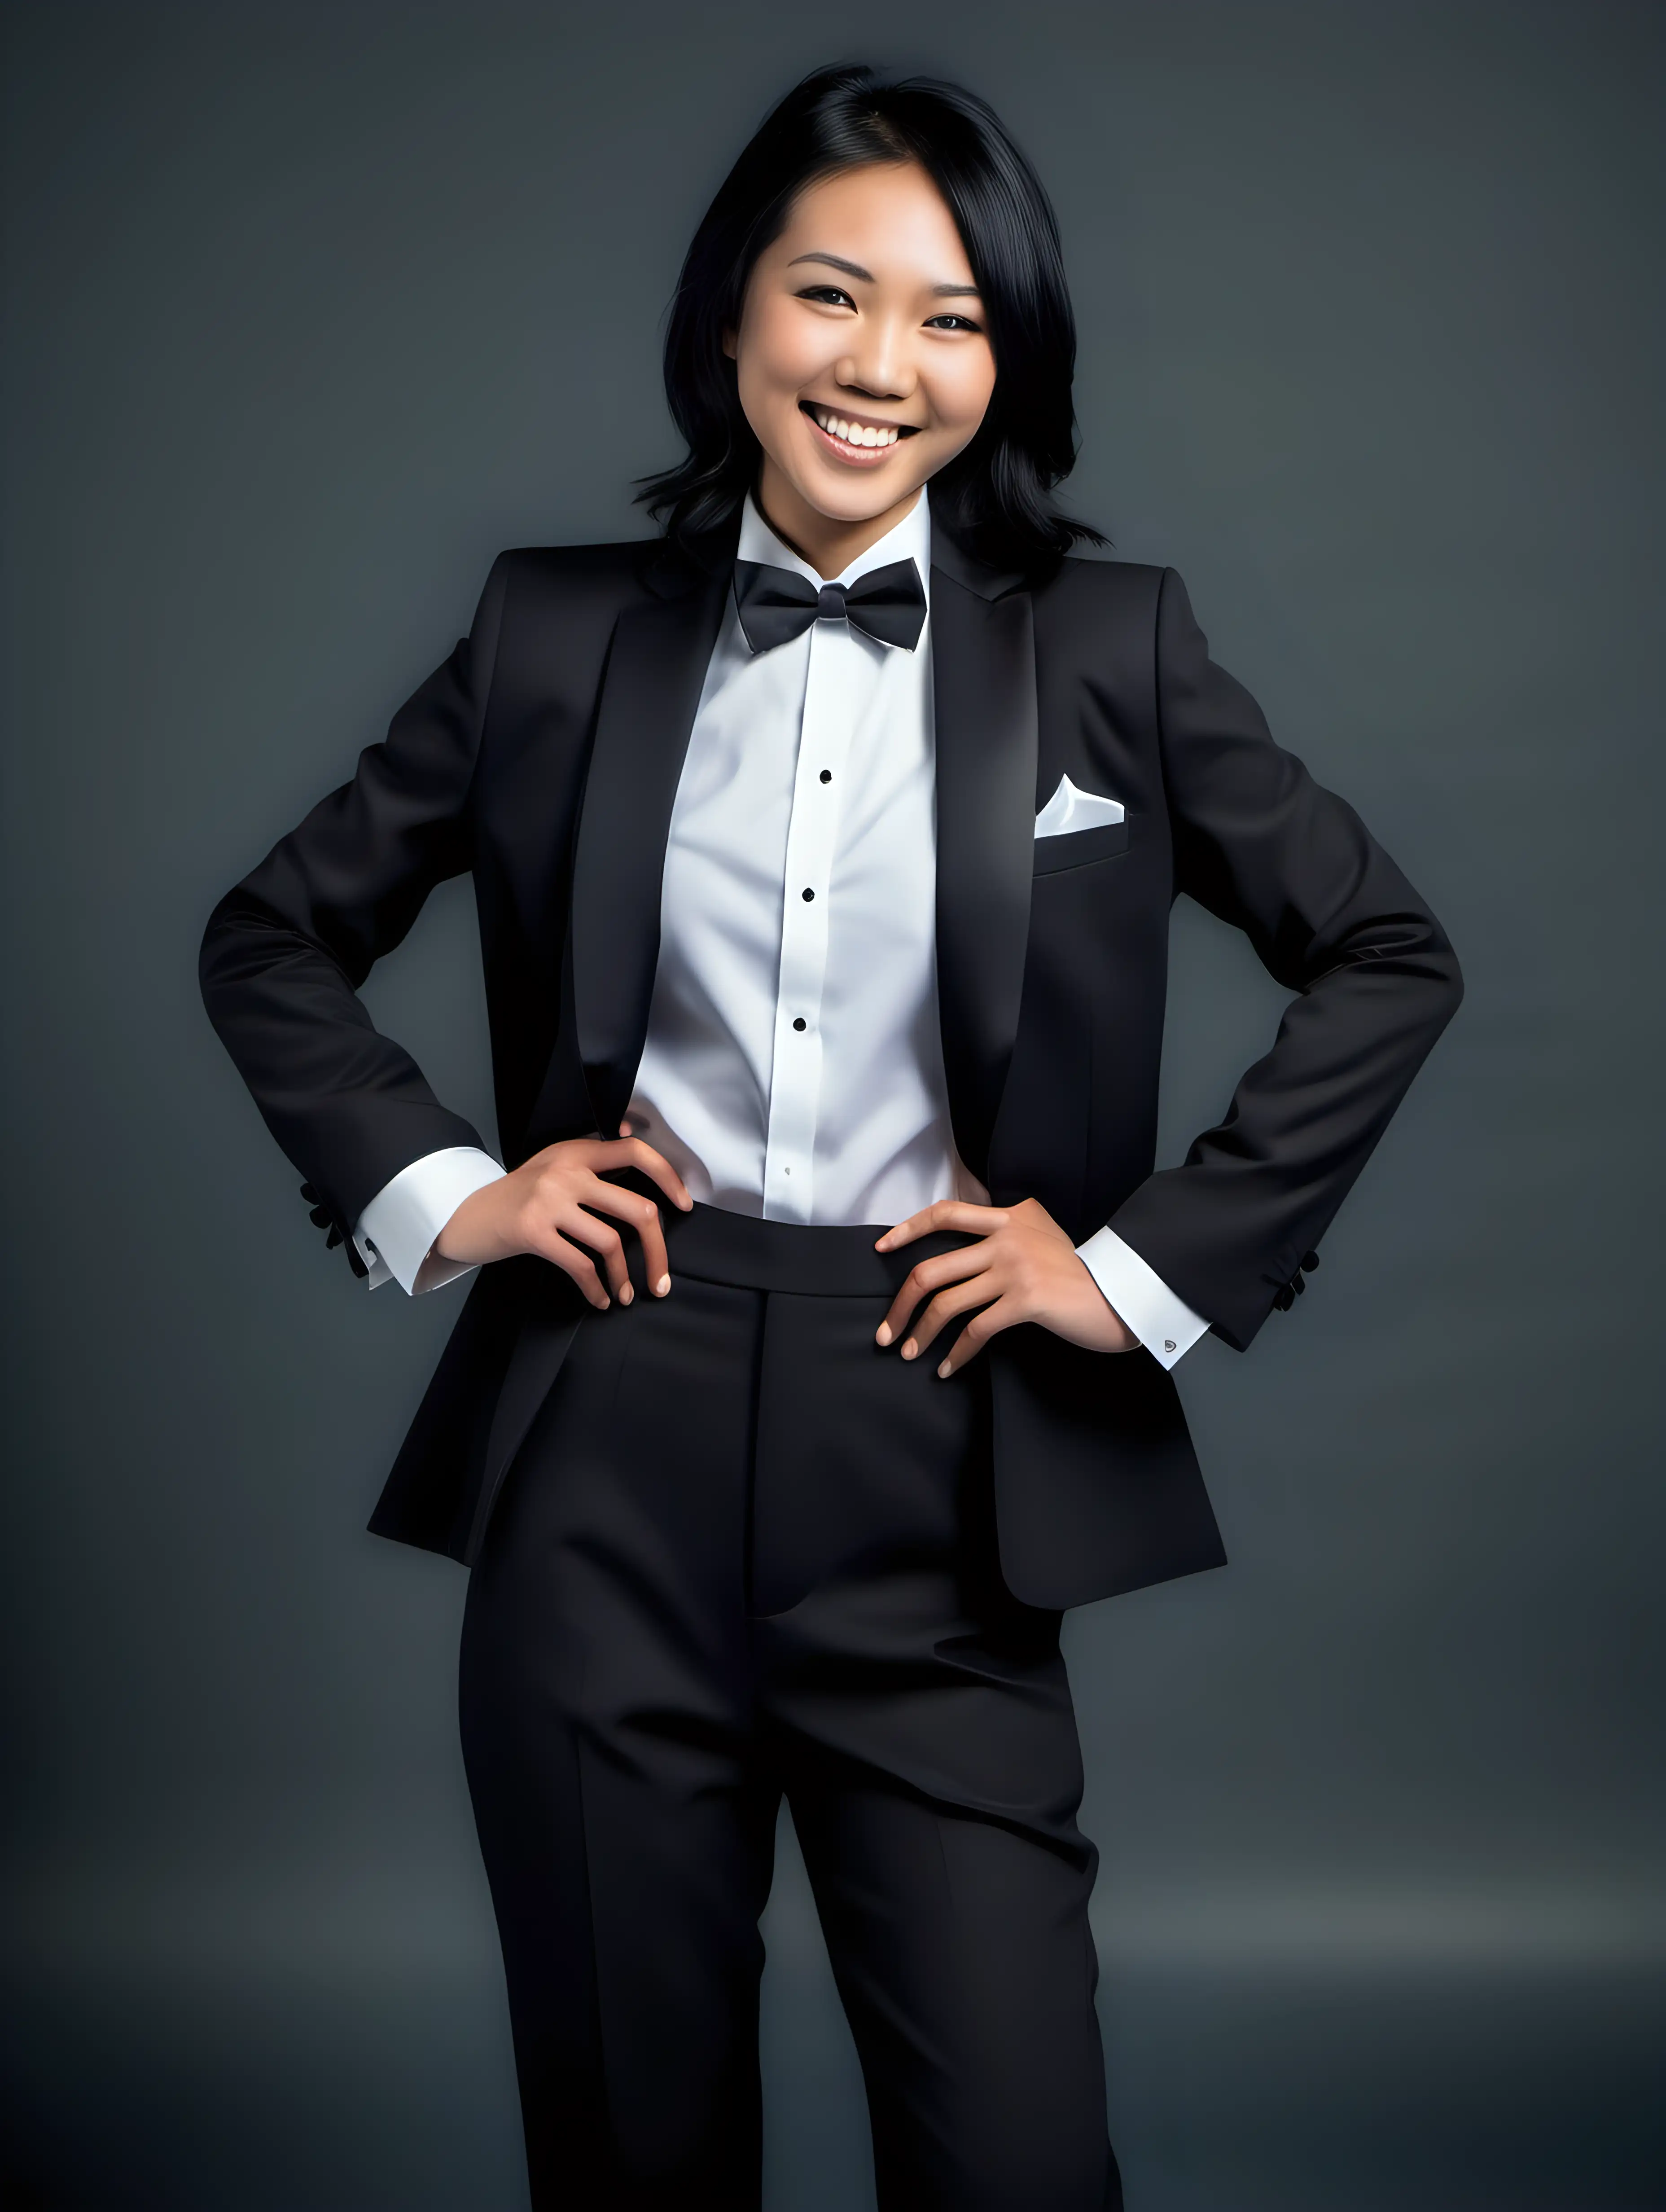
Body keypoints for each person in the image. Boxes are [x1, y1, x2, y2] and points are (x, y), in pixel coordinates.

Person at [199, 61, 1463, 2212]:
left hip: (942, 1449)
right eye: (829, 294)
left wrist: (1131, 1266)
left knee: (1014, 2160)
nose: (882, 366)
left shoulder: (1111, 648)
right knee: (632, 2151)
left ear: (1009, 357)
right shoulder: (550, 631)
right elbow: (273, 936)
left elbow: (1384, 950)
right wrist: (453, 1192)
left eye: (953, 316)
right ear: (731, 322)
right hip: (609, 1420)